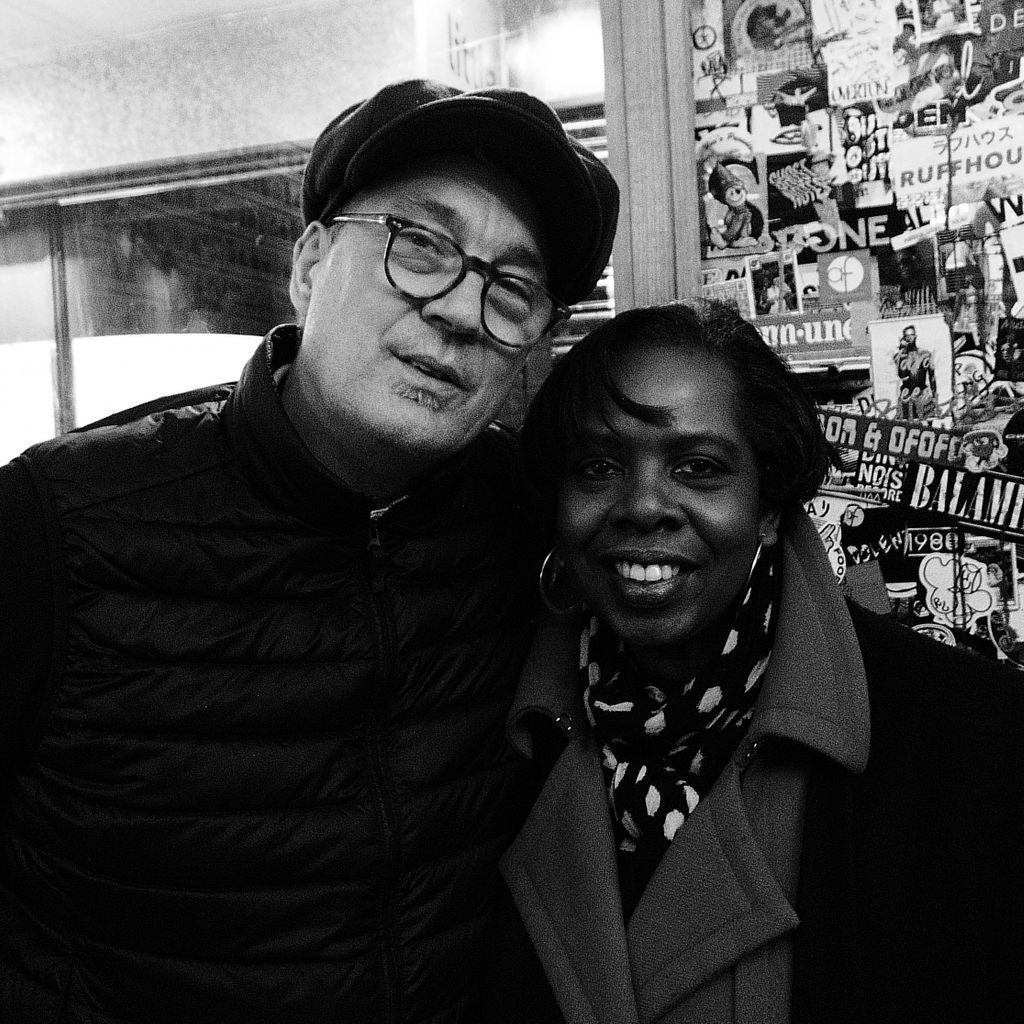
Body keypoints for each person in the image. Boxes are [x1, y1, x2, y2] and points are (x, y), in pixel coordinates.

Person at [0, 79, 618, 1023]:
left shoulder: (534, 528)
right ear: (310, 264)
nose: (462, 310)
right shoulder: (59, 525)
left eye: (515, 289)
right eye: (420, 244)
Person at [483, 301, 1024, 1023]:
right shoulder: (497, 733)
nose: (642, 506)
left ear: (769, 506)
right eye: (598, 466)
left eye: (698, 467)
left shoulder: (978, 741)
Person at [894, 323, 938, 418]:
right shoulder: (900, 356)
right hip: (906, 393)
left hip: (922, 392)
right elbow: (901, 374)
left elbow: (932, 376)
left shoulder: (925, 354)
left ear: (915, 336)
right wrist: (903, 352)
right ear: (904, 338)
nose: (910, 338)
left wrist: (934, 395)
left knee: (927, 419)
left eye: (912, 335)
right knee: (906, 420)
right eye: (907, 336)